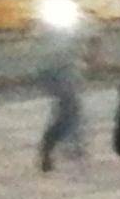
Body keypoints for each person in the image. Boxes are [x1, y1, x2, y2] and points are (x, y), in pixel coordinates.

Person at [38, 16, 88, 172]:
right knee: (68, 110)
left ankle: (69, 145)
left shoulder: (72, 25)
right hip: (56, 72)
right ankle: (50, 148)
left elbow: (85, 42)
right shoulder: (48, 28)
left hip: (65, 72)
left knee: (69, 110)